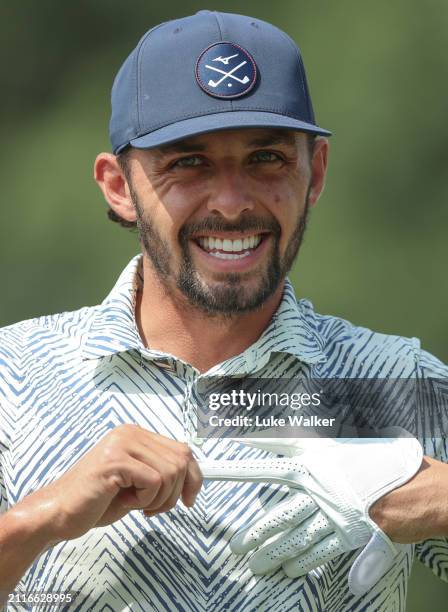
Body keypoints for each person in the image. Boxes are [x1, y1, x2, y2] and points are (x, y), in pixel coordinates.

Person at [0, 9, 447, 612]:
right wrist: (34, 521)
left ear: (314, 173)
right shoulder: (15, 378)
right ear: (118, 187)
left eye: (266, 159)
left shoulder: (391, 381)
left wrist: (431, 500)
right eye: (188, 162)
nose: (233, 204)